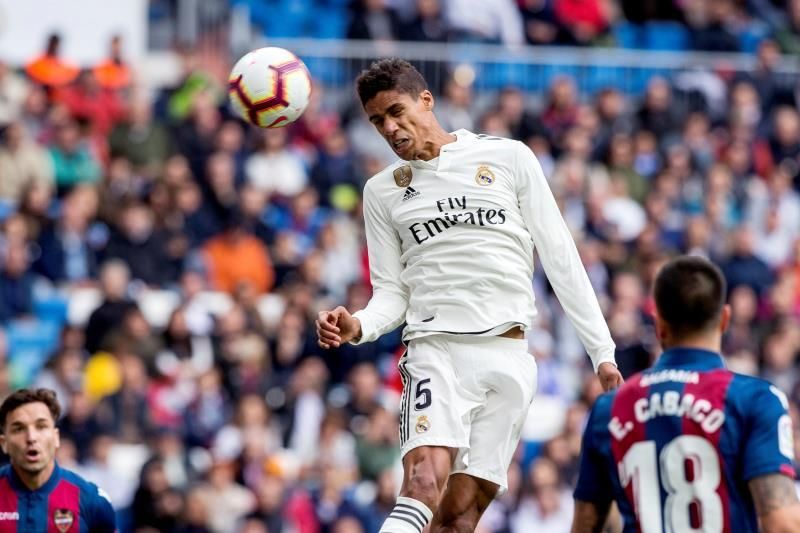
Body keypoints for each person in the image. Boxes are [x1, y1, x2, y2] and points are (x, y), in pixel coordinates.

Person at [316, 58, 622, 533]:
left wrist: (602, 352)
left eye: (396, 112)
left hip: (509, 355)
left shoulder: (509, 158)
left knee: (457, 519)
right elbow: (392, 293)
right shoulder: (381, 192)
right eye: (378, 121)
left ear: (427, 100)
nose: (390, 128)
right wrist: (359, 324)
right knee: (421, 483)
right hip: (437, 349)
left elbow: (561, 258)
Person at [572, 256, 800, 533]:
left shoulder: (609, 409)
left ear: (658, 326)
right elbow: (782, 524)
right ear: (725, 319)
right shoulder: (757, 399)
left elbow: (586, 524)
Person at [0, 388, 116, 531]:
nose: (31, 437)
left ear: (56, 437)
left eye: (41, 426)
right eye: (19, 429)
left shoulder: (91, 499)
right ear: (4, 444)